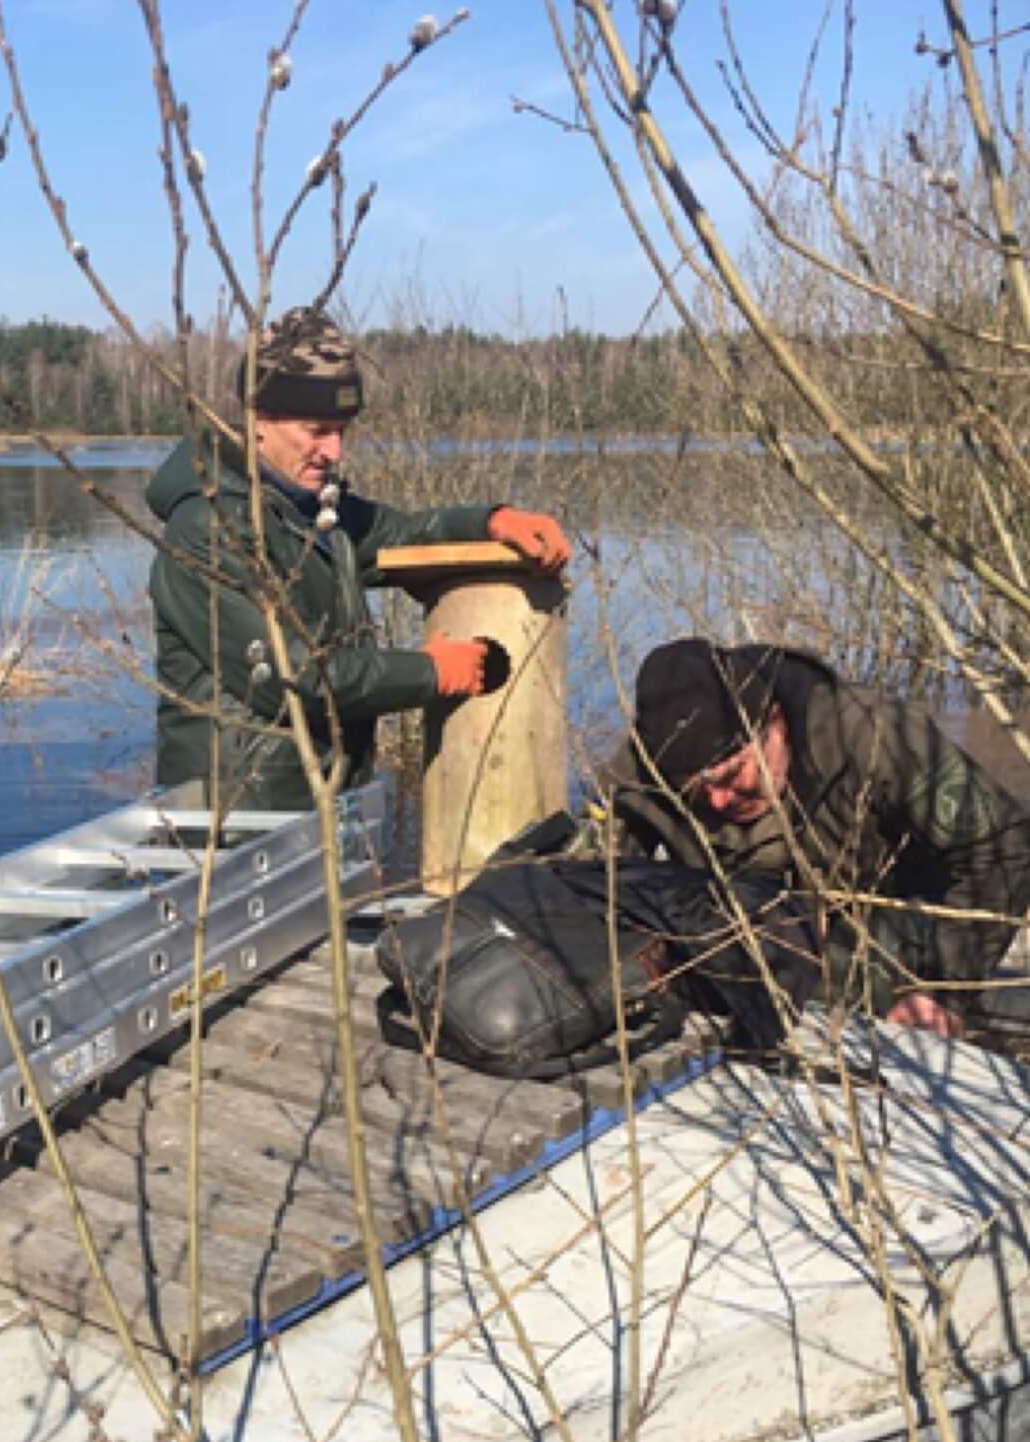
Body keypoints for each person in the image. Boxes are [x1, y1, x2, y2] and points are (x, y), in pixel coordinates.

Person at [147, 308, 572, 811]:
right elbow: (293, 681)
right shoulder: (211, 528)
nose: (334, 452)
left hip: (313, 803)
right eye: (317, 429)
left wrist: (491, 522)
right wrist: (432, 672)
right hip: (236, 815)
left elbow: (403, 534)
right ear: (257, 420)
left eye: (343, 430)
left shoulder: (309, 512)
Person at [620, 636, 1030, 1036]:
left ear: (775, 723)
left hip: (890, 925)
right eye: (693, 791)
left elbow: (1001, 845)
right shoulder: (649, 764)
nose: (720, 799)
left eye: (732, 775)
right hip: (741, 936)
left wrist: (942, 990)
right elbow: (592, 881)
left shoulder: (871, 733)